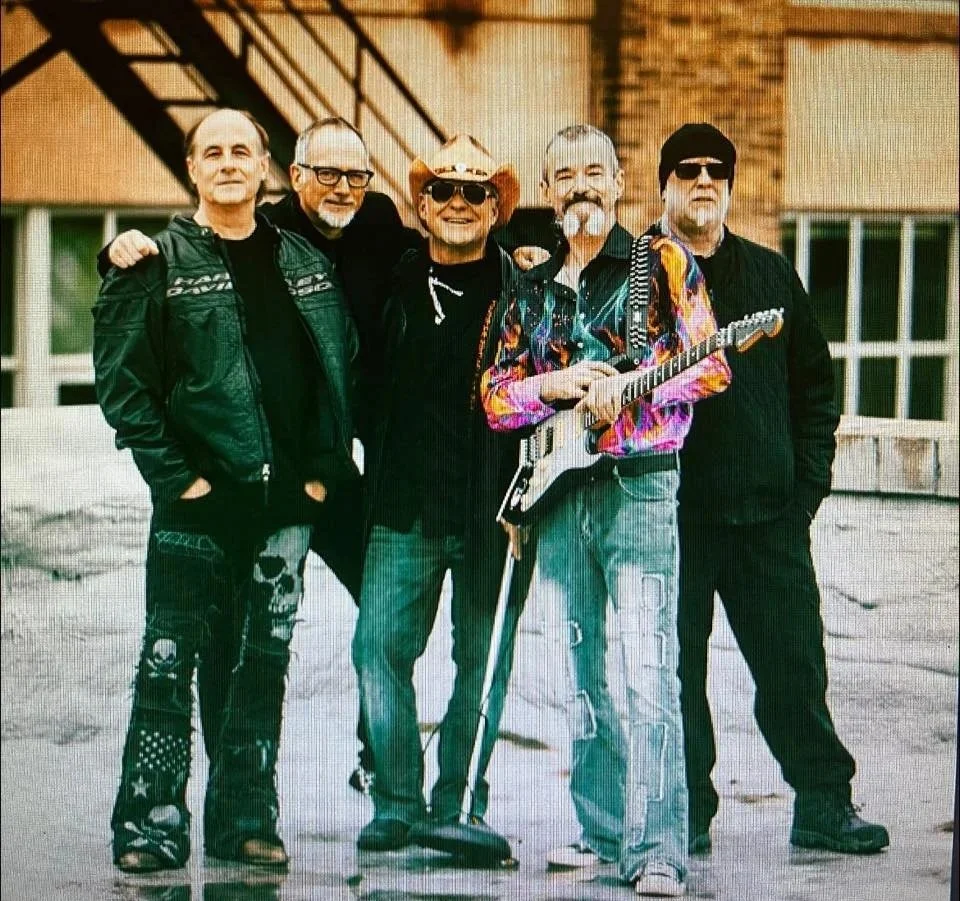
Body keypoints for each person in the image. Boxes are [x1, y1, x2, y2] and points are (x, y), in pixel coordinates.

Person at [102, 115, 420, 794]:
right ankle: (206, 800)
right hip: (230, 480)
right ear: (293, 175)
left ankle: (369, 758)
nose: (340, 186)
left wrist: (523, 255)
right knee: (209, 642)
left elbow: (444, 256)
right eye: (324, 172)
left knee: (379, 600)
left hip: (321, 469)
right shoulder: (235, 242)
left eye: (354, 174)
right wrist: (118, 250)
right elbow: (136, 365)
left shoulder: (365, 230)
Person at [481, 124, 731, 897]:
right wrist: (549, 389)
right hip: (559, 494)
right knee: (580, 672)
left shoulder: (662, 263)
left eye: (595, 171)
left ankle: (658, 848)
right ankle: (598, 832)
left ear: (620, 182)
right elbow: (493, 397)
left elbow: (714, 363)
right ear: (550, 192)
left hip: (642, 484)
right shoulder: (530, 285)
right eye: (565, 175)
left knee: (648, 668)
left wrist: (642, 381)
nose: (581, 186)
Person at [649, 122, 890, 856]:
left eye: (715, 170)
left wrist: (804, 490)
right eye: (686, 169)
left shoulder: (771, 273)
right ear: (663, 183)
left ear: (729, 183)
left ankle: (823, 801)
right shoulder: (637, 276)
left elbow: (816, 388)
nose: (702, 181)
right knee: (674, 674)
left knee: (793, 663)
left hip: (766, 519)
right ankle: (684, 811)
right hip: (671, 517)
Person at [351, 134, 534, 855]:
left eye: (475, 192)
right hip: (403, 506)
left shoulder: (528, 290)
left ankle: (458, 800)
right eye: (444, 191)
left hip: (496, 512)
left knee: (482, 663)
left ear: (497, 209)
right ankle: (396, 799)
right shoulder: (389, 281)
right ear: (421, 205)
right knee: (377, 650)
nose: (458, 203)